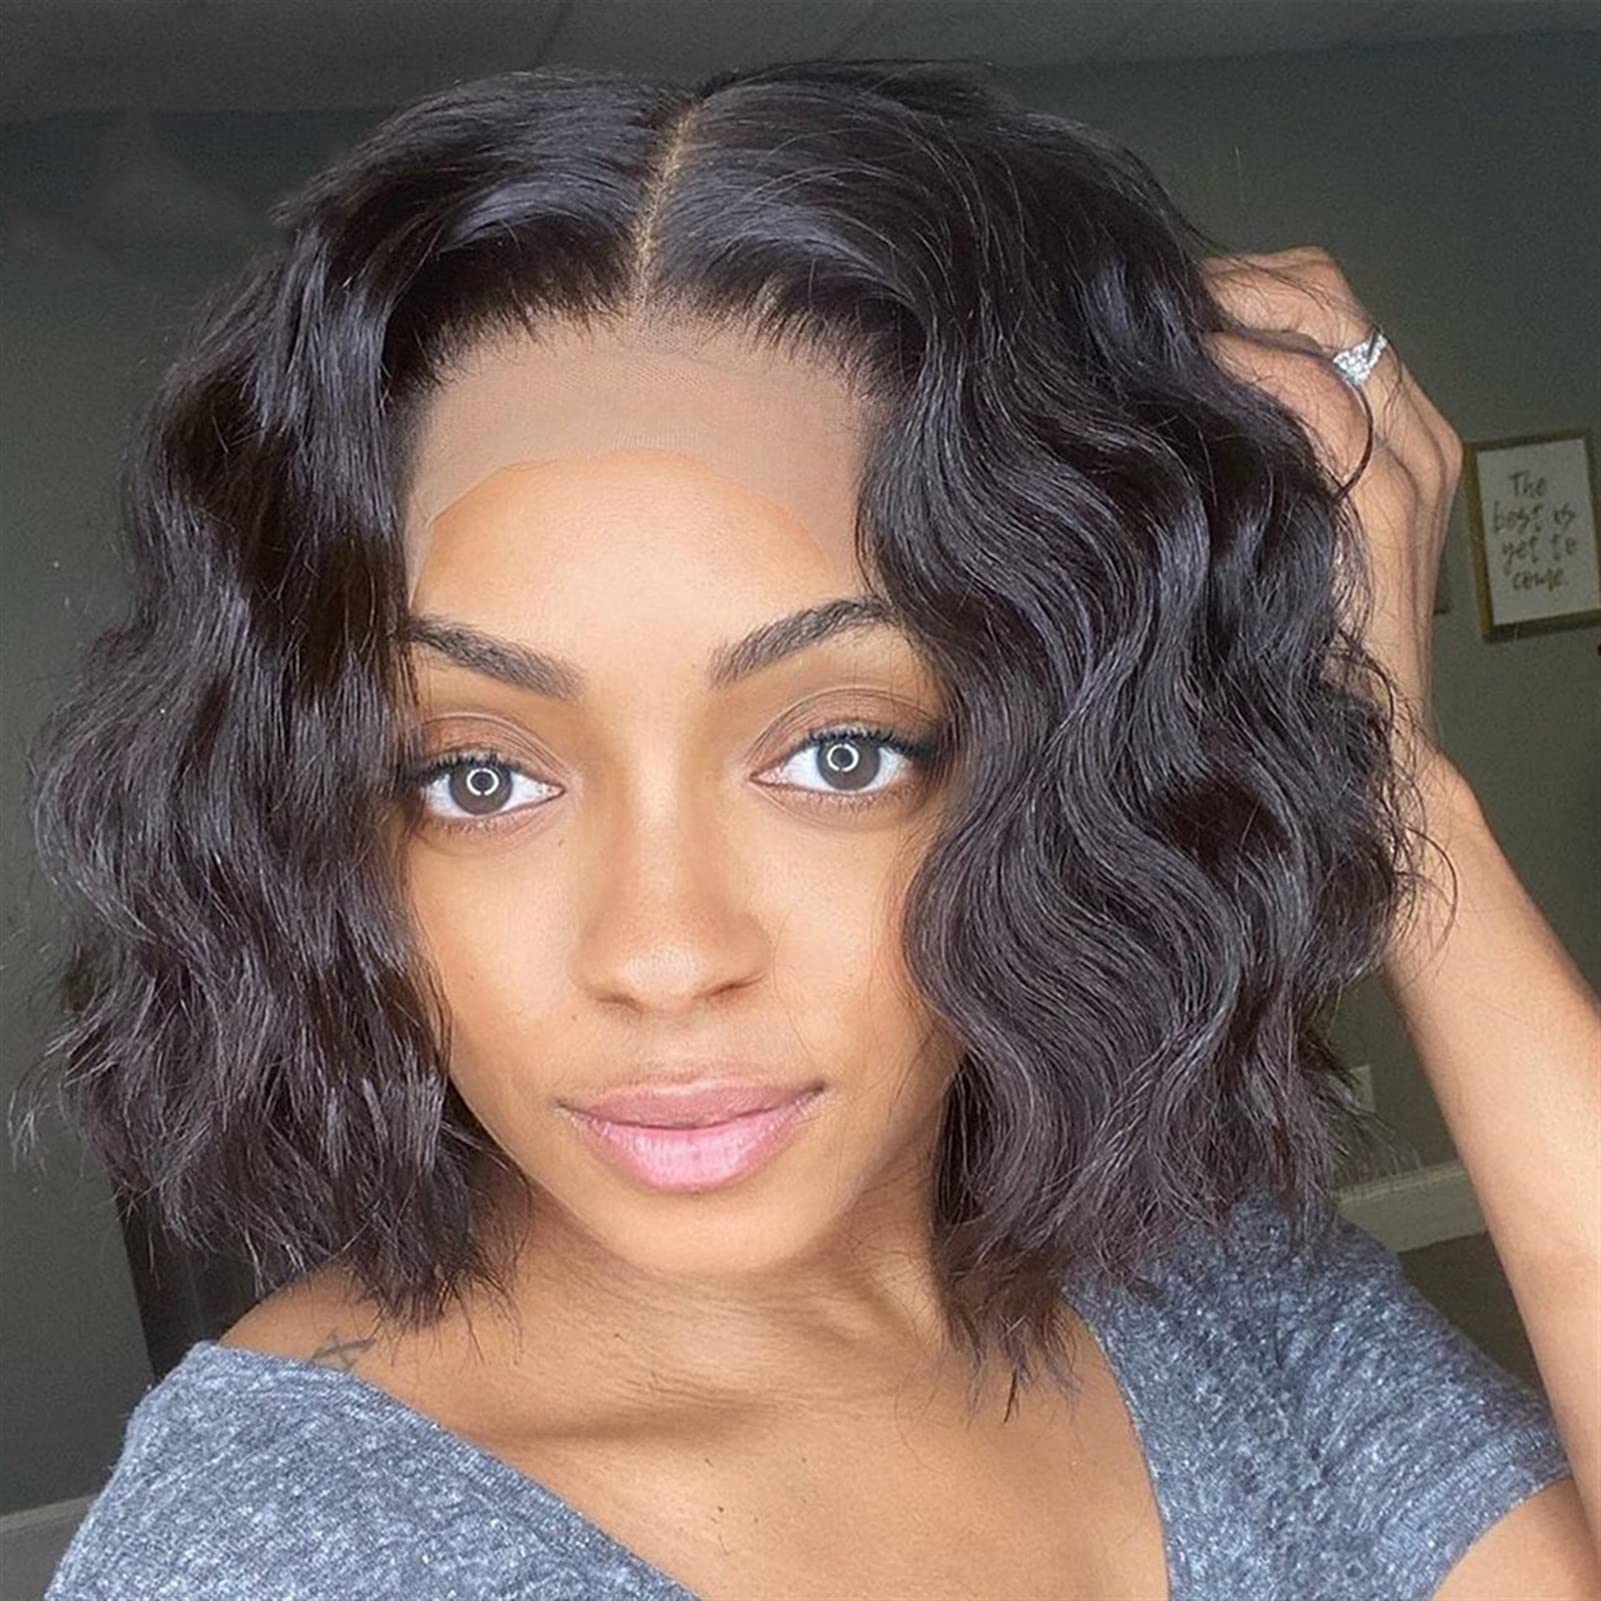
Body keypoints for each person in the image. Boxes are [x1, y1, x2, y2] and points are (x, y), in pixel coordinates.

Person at [17, 57, 1599, 1601]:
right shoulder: (278, 1553)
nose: (661, 954)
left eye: (840, 751)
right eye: (478, 776)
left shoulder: (1211, 1284)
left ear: (1057, 773)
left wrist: (1389, 785)